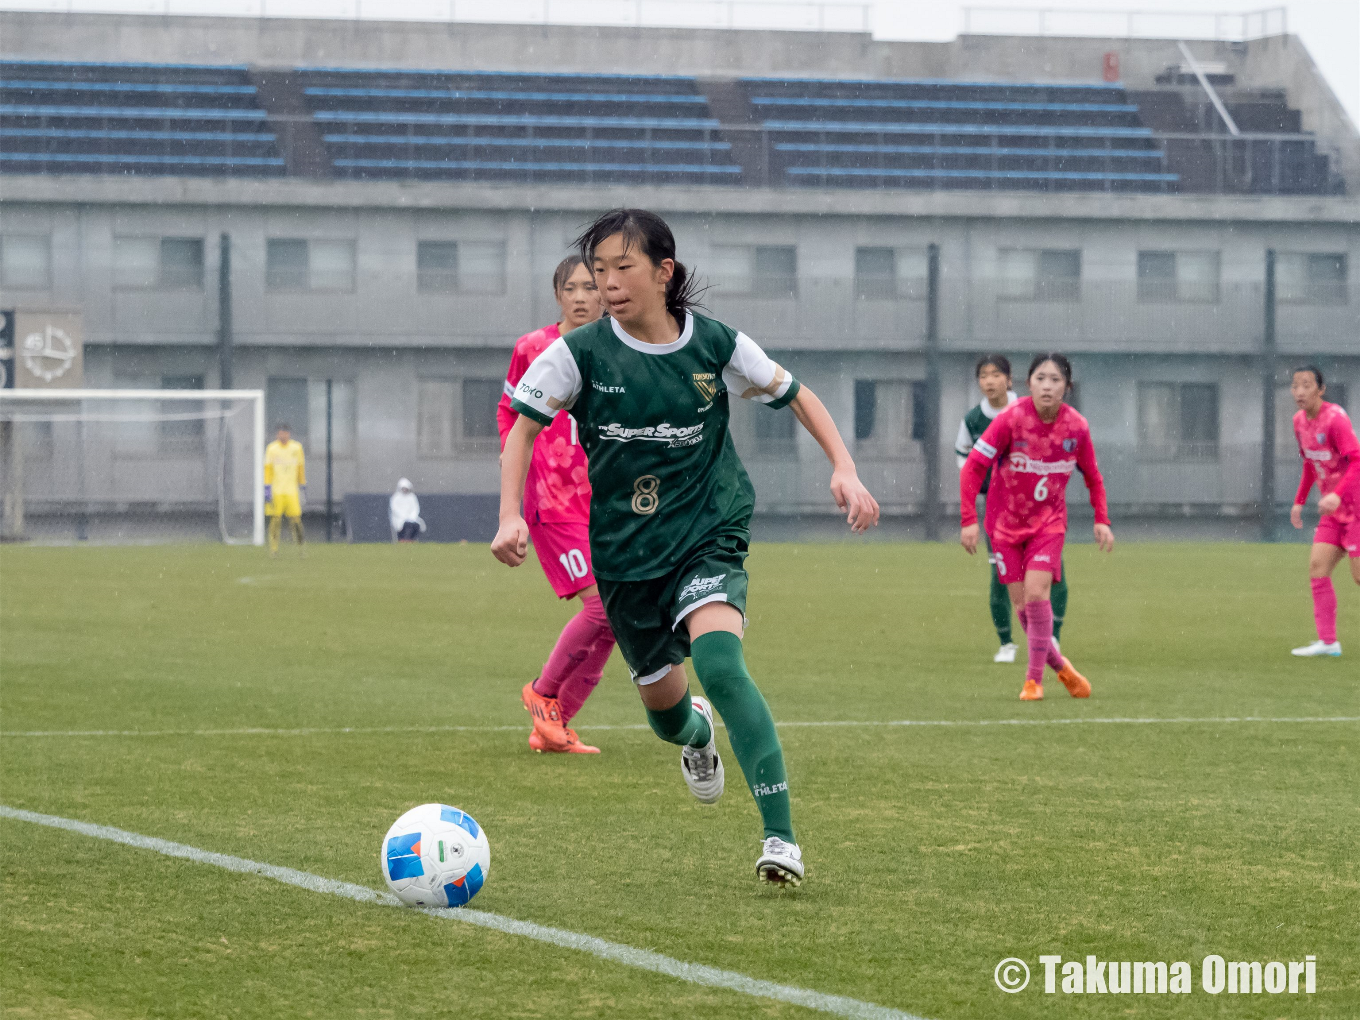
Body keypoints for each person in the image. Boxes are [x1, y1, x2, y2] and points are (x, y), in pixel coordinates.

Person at [493, 209, 879, 886]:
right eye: (598, 270)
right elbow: (521, 430)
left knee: (722, 664)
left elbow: (798, 394)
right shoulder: (577, 355)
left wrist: (843, 467)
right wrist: (508, 516)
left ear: (663, 272)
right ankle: (697, 737)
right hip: (625, 553)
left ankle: (781, 838)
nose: (607, 283)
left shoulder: (716, 344)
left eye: (622, 269)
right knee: (669, 717)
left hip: (709, 529)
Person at [497, 254, 612, 755]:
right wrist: (516, 499)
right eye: (574, 287)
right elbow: (509, 415)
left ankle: (555, 726)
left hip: (608, 504)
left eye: (593, 286)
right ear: (558, 294)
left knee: (616, 622)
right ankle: (542, 693)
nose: (584, 296)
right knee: (603, 608)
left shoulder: (619, 347)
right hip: (554, 502)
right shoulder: (534, 348)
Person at [959, 353, 1112, 701]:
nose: (1047, 385)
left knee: (1037, 594)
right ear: (1028, 384)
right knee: (1023, 607)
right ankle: (1063, 669)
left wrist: (1101, 518)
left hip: (1048, 525)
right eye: (1040, 378)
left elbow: (1093, 476)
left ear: (1067, 388)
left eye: (1055, 380)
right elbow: (972, 468)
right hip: (1004, 525)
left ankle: (1033, 681)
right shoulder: (1010, 419)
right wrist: (968, 521)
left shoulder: (1077, 427)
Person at [954, 354, 1023, 663]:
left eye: (996, 374)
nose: (990, 381)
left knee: (1049, 573)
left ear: (1009, 379)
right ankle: (1007, 643)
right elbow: (963, 459)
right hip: (997, 509)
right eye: (983, 375)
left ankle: (1051, 638)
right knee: (1000, 573)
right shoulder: (972, 420)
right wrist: (984, 485)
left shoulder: (1027, 412)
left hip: (1033, 505)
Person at [1287, 365, 1359, 657]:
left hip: (1355, 508)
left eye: (1306, 385)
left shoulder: (1335, 419)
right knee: (1318, 568)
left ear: (1321, 389)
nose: (1299, 392)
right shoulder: (1298, 422)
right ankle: (1329, 643)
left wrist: (1337, 495)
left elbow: (1357, 461)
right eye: (1295, 386)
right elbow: (1309, 463)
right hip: (1333, 513)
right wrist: (1299, 501)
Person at [263, 423, 305, 557]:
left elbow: (300, 468)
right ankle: (274, 549)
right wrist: (267, 487)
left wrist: (303, 485)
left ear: (289, 434)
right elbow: (268, 469)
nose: (283, 435)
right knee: (275, 520)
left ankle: (301, 547)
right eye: (281, 432)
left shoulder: (296, 448)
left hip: (292, 491)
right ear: (277, 434)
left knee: (296, 520)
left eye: (285, 432)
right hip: (277, 491)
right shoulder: (272, 449)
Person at [389, 478, 425, 542]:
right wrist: (404, 516)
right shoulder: (396, 497)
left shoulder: (412, 497)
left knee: (415, 525)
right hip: (399, 519)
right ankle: (404, 540)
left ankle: (411, 540)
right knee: (407, 525)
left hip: (411, 518)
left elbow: (415, 508)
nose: (405, 490)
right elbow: (394, 509)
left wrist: (411, 516)